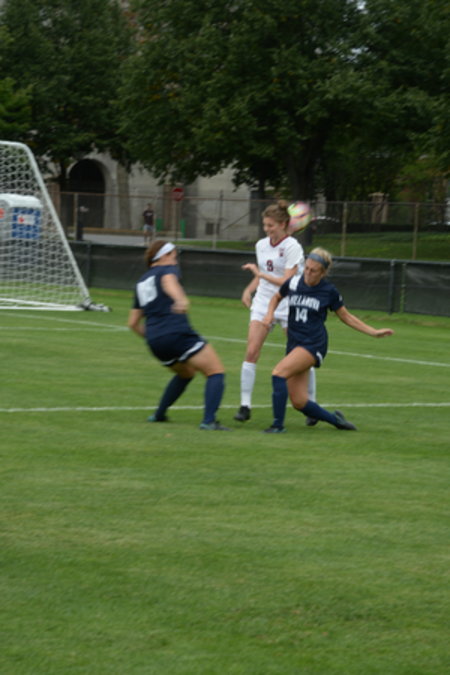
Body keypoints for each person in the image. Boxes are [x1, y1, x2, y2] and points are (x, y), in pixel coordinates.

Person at [262, 247, 394, 433]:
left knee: (278, 373)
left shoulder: (328, 291)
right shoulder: (294, 282)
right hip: (294, 343)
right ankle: (336, 420)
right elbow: (276, 297)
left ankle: (277, 426)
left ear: (323, 273)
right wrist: (269, 315)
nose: (308, 273)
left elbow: (346, 316)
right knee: (299, 401)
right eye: (307, 268)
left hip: (313, 344)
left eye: (313, 270)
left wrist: (373, 332)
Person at [128, 240, 231, 430]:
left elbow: (132, 323)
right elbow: (169, 282)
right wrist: (180, 299)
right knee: (215, 372)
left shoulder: (141, 282)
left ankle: (159, 414)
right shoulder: (167, 269)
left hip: (155, 341)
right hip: (176, 332)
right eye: (174, 255)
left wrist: (153, 336)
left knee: (186, 373)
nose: (175, 260)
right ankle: (209, 421)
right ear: (164, 256)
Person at [234, 200, 317, 425]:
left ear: (282, 224)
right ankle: (244, 406)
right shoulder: (261, 245)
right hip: (264, 302)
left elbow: (287, 281)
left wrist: (259, 275)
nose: (267, 229)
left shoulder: (292, 247)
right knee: (252, 351)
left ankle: (312, 405)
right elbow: (263, 275)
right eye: (265, 225)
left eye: (271, 225)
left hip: (290, 302)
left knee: (301, 356)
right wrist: (249, 289)